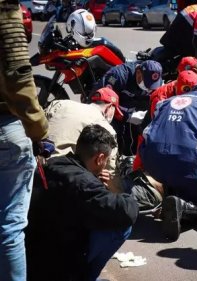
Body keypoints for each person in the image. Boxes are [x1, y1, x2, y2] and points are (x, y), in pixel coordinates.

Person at [26, 124, 139, 281]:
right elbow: (127, 212)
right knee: (122, 226)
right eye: (106, 160)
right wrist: (116, 190)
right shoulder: (85, 183)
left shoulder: (50, 165)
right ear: (100, 158)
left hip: (32, 256)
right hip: (57, 264)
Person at [139, 82, 197, 241]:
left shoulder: (165, 102)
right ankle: (185, 208)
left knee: (174, 173)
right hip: (190, 162)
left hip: (152, 161)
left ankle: (172, 201)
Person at [0, 5, 53, 281]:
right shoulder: (5, 9)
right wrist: (40, 131)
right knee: (9, 226)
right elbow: (18, 74)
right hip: (5, 127)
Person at [44, 87, 124, 192]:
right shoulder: (107, 130)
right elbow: (109, 172)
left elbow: (37, 126)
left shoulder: (60, 103)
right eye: (115, 112)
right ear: (109, 107)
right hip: (64, 179)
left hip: (38, 164)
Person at [94, 60, 163, 155]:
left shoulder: (153, 81)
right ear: (138, 72)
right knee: (111, 138)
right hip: (110, 110)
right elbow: (104, 104)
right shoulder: (118, 76)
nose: (148, 89)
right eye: (147, 84)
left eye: (151, 86)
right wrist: (127, 117)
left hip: (131, 106)